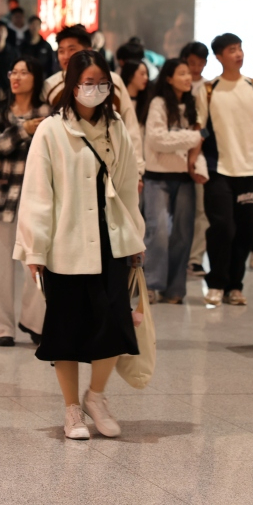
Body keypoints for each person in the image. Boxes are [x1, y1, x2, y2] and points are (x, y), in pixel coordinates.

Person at [15, 50, 145, 440]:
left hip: (112, 240)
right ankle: (72, 409)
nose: (95, 90)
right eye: (87, 83)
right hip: (65, 244)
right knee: (67, 330)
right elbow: (38, 194)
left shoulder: (116, 127)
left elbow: (126, 189)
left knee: (114, 324)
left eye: (101, 83)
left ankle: (96, 396)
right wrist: (35, 250)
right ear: (72, 85)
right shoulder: (51, 130)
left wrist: (136, 238)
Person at [0, 57, 49, 347]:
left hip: (35, 200)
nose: (17, 77)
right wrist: (24, 131)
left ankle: (35, 322)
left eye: (24, 72)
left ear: (36, 78)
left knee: (36, 264)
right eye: (13, 72)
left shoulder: (49, 114)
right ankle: (2, 328)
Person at [195, 33, 253, 306]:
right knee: (222, 227)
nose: (238, 54)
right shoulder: (209, 89)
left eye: (240, 48)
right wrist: (193, 162)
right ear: (219, 56)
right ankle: (216, 282)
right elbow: (198, 130)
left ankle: (235, 286)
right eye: (232, 49)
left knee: (246, 230)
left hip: (250, 170)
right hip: (218, 169)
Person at [43, 24, 144, 183]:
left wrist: (137, 170)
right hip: (69, 169)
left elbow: (130, 125)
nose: (66, 56)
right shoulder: (50, 86)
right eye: (61, 51)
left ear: (88, 51)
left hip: (111, 164)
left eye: (72, 49)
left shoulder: (113, 82)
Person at [143, 58, 207, 305]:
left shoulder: (193, 104)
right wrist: (193, 136)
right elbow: (157, 139)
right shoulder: (158, 103)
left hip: (184, 178)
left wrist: (197, 164)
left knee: (183, 234)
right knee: (157, 231)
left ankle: (174, 289)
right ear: (168, 78)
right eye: (181, 73)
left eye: (188, 73)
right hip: (156, 176)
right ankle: (150, 284)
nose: (188, 77)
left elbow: (200, 143)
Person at [181, 41, 211, 276]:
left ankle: (195, 258)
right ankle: (178, 258)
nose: (196, 68)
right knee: (178, 211)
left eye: (200, 63)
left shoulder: (209, 88)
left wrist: (196, 143)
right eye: (192, 63)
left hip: (200, 153)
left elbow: (208, 127)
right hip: (172, 155)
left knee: (201, 210)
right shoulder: (175, 85)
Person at [120, 59, 150, 153]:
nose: (146, 78)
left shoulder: (147, 102)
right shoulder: (119, 101)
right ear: (130, 75)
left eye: (147, 74)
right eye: (142, 74)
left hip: (140, 152)